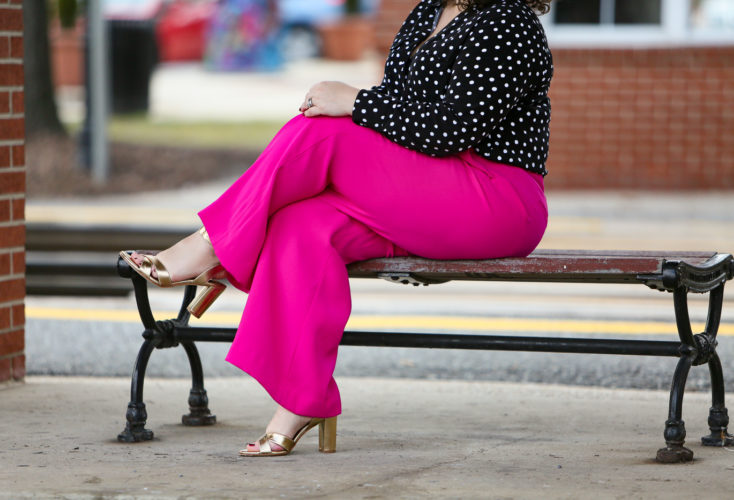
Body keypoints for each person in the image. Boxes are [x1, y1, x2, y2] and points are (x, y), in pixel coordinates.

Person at [121, 0, 553, 457]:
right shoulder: (429, 11)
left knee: (322, 133)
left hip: (493, 198)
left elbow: (451, 128)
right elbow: (400, 115)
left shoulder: (509, 20)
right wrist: (358, 107)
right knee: (299, 225)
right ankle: (302, 401)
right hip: (425, 189)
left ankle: (212, 245)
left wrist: (356, 101)